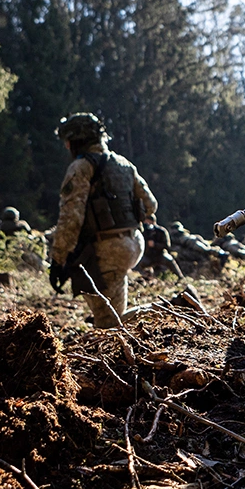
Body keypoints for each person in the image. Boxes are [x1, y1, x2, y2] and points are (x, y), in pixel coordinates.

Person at [48, 113, 158, 329]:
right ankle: (171, 307)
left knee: (108, 323)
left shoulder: (81, 167)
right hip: (133, 242)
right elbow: (151, 205)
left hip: (106, 250)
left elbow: (71, 219)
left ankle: (175, 306)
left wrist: (58, 260)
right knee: (113, 313)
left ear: (76, 141)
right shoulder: (124, 163)